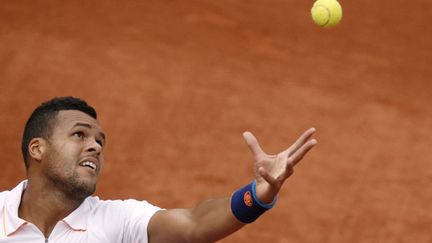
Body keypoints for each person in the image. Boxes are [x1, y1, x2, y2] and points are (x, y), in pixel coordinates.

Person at [0, 96, 317, 243]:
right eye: (79, 135)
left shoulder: (117, 222)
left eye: (100, 140)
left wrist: (257, 195)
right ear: (37, 148)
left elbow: (193, 224)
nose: (95, 146)